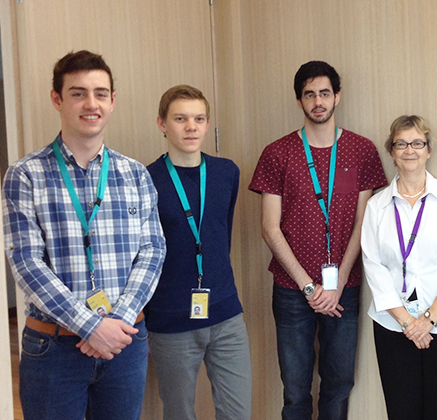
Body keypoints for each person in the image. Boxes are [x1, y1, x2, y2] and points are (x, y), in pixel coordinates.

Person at [2, 50, 166, 420]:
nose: (91, 104)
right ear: (57, 99)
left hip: (125, 343)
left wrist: (117, 322)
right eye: (78, 93)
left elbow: (153, 250)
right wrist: (91, 325)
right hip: (54, 348)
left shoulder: (136, 173)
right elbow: (26, 261)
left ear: (112, 101)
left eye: (101, 93)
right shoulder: (25, 175)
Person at [249, 61, 387, 419]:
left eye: (325, 93)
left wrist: (338, 282)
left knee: (339, 383)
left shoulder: (361, 150)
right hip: (292, 289)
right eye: (309, 94)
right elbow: (270, 228)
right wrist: (309, 288)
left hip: (346, 287)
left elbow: (363, 223)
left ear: (337, 97)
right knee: (295, 388)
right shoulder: (277, 153)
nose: (318, 101)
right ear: (299, 101)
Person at [145, 85, 252, 420]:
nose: (191, 126)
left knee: (237, 411)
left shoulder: (226, 172)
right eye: (180, 118)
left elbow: (219, 234)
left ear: (207, 125)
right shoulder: (146, 180)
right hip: (171, 319)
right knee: (179, 413)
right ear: (162, 124)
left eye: (198, 118)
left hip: (226, 314)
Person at [361, 115, 437, 420]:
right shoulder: (377, 206)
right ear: (392, 151)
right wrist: (407, 323)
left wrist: (429, 319)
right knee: (402, 412)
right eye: (401, 143)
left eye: (417, 143)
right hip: (394, 326)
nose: (409, 150)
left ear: (428, 150)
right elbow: (373, 266)